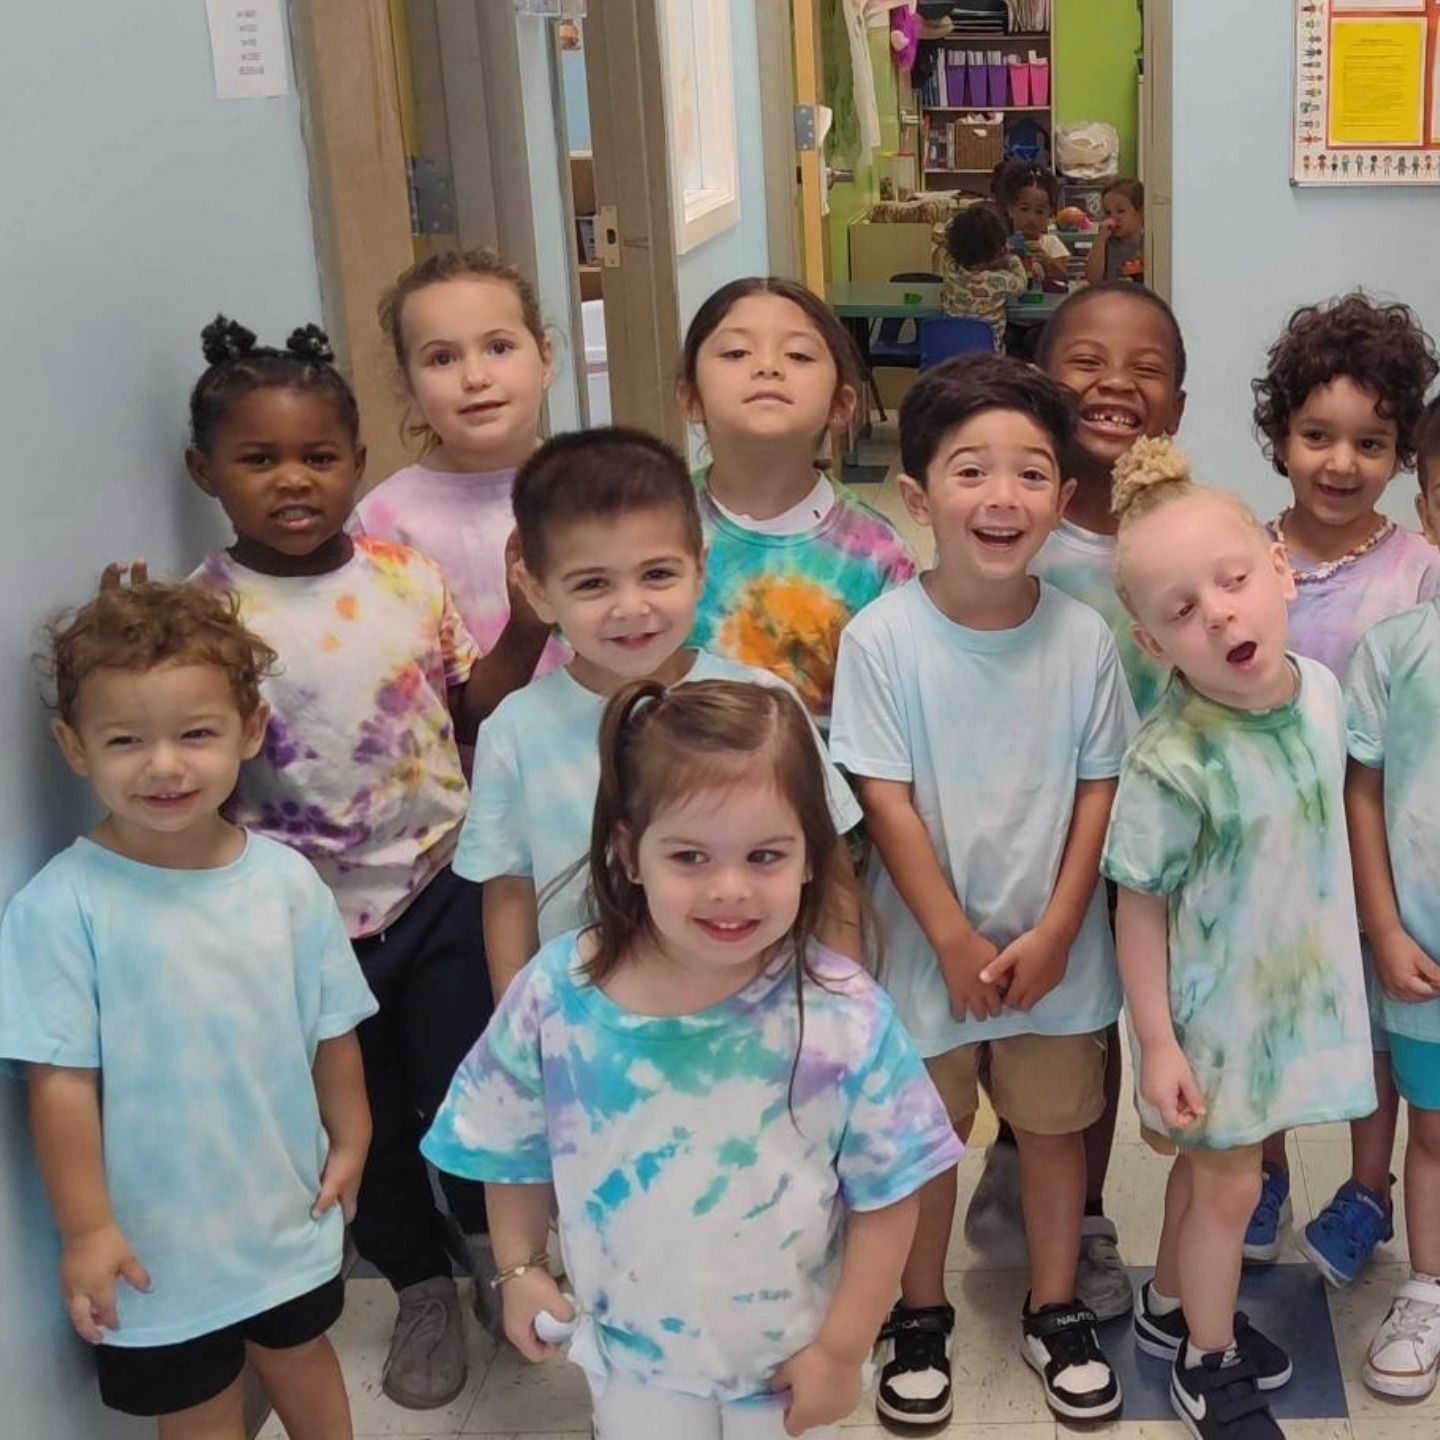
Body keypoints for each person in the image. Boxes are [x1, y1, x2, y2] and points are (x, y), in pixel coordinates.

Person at [423, 678, 963, 1438]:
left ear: (812, 856)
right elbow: (512, 1149)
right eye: (690, 856)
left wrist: (843, 1351)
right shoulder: (556, 997)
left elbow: (889, 1195)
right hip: (633, 1365)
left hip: (789, 1363)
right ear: (629, 855)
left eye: (765, 854)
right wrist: (518, 1268)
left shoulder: (845, 1012)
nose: (730, 889)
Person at [183, 317, 497, 1409]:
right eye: (258, 460)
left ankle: (502, 1256)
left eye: (318, 456)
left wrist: (532, 628)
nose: (293, 480)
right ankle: (418, 1283)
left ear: (357, 464)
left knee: (469, 1086)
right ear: (205, 473)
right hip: (304, 920)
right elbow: (191, 761)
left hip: (439, 883)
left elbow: (466, 707)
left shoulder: (408, 578)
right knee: (357, 1112)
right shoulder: (204, 613)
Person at [830, 356, 1133, 1426]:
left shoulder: (1085, 639)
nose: (1001, 498)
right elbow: (885, 798)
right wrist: (952, 937)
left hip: (1062, 953)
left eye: (1032, 473)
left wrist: (1057, 930)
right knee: (921, 1141)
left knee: (1052, 1135)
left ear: (1064, 496)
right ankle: (920, 1314)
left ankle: (1055, 1308)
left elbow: (1101, 791)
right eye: (971, 471)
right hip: (924, 955)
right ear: (917, 496)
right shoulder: (883, 641)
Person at [0, 581, 376, 1440]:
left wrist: (352, 1138)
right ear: (74, 746)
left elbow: (332, 1027)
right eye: (126, 741)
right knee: (198, 1410)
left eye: (195, 734)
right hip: (153, 1250)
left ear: (249, 731)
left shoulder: (284, 882)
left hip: (285, 1213)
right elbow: (58, 1087)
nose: (164, 766)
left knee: (305, 1358)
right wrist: (87, 1230)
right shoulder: (62, 908)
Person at [1102, 437, 1375, 1440]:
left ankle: (1174, 1308)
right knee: (1228, 1186)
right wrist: (1160, 1043)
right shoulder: (1172, 760)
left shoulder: (1319, 696)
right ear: (1151, 642)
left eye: (1232, 582)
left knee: (1222, 1170)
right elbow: (1138, 905)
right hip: (1215, 1017)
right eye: (1181, 611)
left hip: (1294, 1001)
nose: (1217, 613)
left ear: (1281, 573)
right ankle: (1207, 1365)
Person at [965, 281, 1190, 1324]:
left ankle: (1084, 1209)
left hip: (1131, 840)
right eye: (1087, 360)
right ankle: (1014, 1152)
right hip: (1011, 831)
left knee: (1089, 1026)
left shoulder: (1178, 538)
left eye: (1146, 368)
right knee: (999, 1008)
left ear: (1176, 408)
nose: (1116, 383)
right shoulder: (1013, 530)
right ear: (1042, 387)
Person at [457, 426, 863, 999]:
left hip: (759, 1021)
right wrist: (519, 1034)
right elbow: (509, 899)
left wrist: (850, 1013)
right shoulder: (515, 732)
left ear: (700, 566)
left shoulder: (766, 703)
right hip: (596, 1037)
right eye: (593, 583)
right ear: (537, 591)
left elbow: (833, 877)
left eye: (657, 574)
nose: (631, 607)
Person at [1247, 293, 1440, 1279]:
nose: (1340, 462)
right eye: (1317, 435)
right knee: (1272, 1017)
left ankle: (1370, 1189)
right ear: (1279, 433)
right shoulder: (1242, 556)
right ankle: (1267, 1171)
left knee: (1373, 1032)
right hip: (1264, 851)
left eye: (1370, 443)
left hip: (1378, 860)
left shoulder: (1421, 571)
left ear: (1402, 453)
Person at [680, 276, 915, 731]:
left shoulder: (876, 557)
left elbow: (890, 730)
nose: (768, 367)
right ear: (691, 397)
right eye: (735, 353)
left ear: (841, 405)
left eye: (799, 355)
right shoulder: (645, 528)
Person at [355, 248, 567, 710]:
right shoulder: (383, 523)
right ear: (407, 385)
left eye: (498, 348)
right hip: (468, 771)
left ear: (545, 358)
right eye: (442, 359)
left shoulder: (598, 485)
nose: (475, 377)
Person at [1344, 452, 1440, 1393]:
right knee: (1436, 1130)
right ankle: (1427, 1284)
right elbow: (1362, 792)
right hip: (1425, 952)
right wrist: (1384, 926)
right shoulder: (1398, 648)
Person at [936, 203, 1028, 352]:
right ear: (996, 252)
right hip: (987, 361)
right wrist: (1012, 259)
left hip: (951, 358)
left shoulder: (951, 270)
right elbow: (1021, 284)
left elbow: (948, 245)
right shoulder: (1000, 281)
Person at [995, 163, 1069, 286]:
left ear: (1050, 213)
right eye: (1024, 209)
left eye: (1039, 212)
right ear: (1010, 209)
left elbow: (1063, 278)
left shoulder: (1050, 243)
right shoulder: (1001, 243)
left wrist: (1046, 261)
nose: (1031, 218)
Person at [1084, 180, 1145, 286]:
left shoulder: (1150, 242)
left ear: (1140, 213)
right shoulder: (1105, 244)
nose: (1113, 217)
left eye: (1120, 211)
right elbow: (1092, 278)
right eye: (1108, 213)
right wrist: (1100, 240)